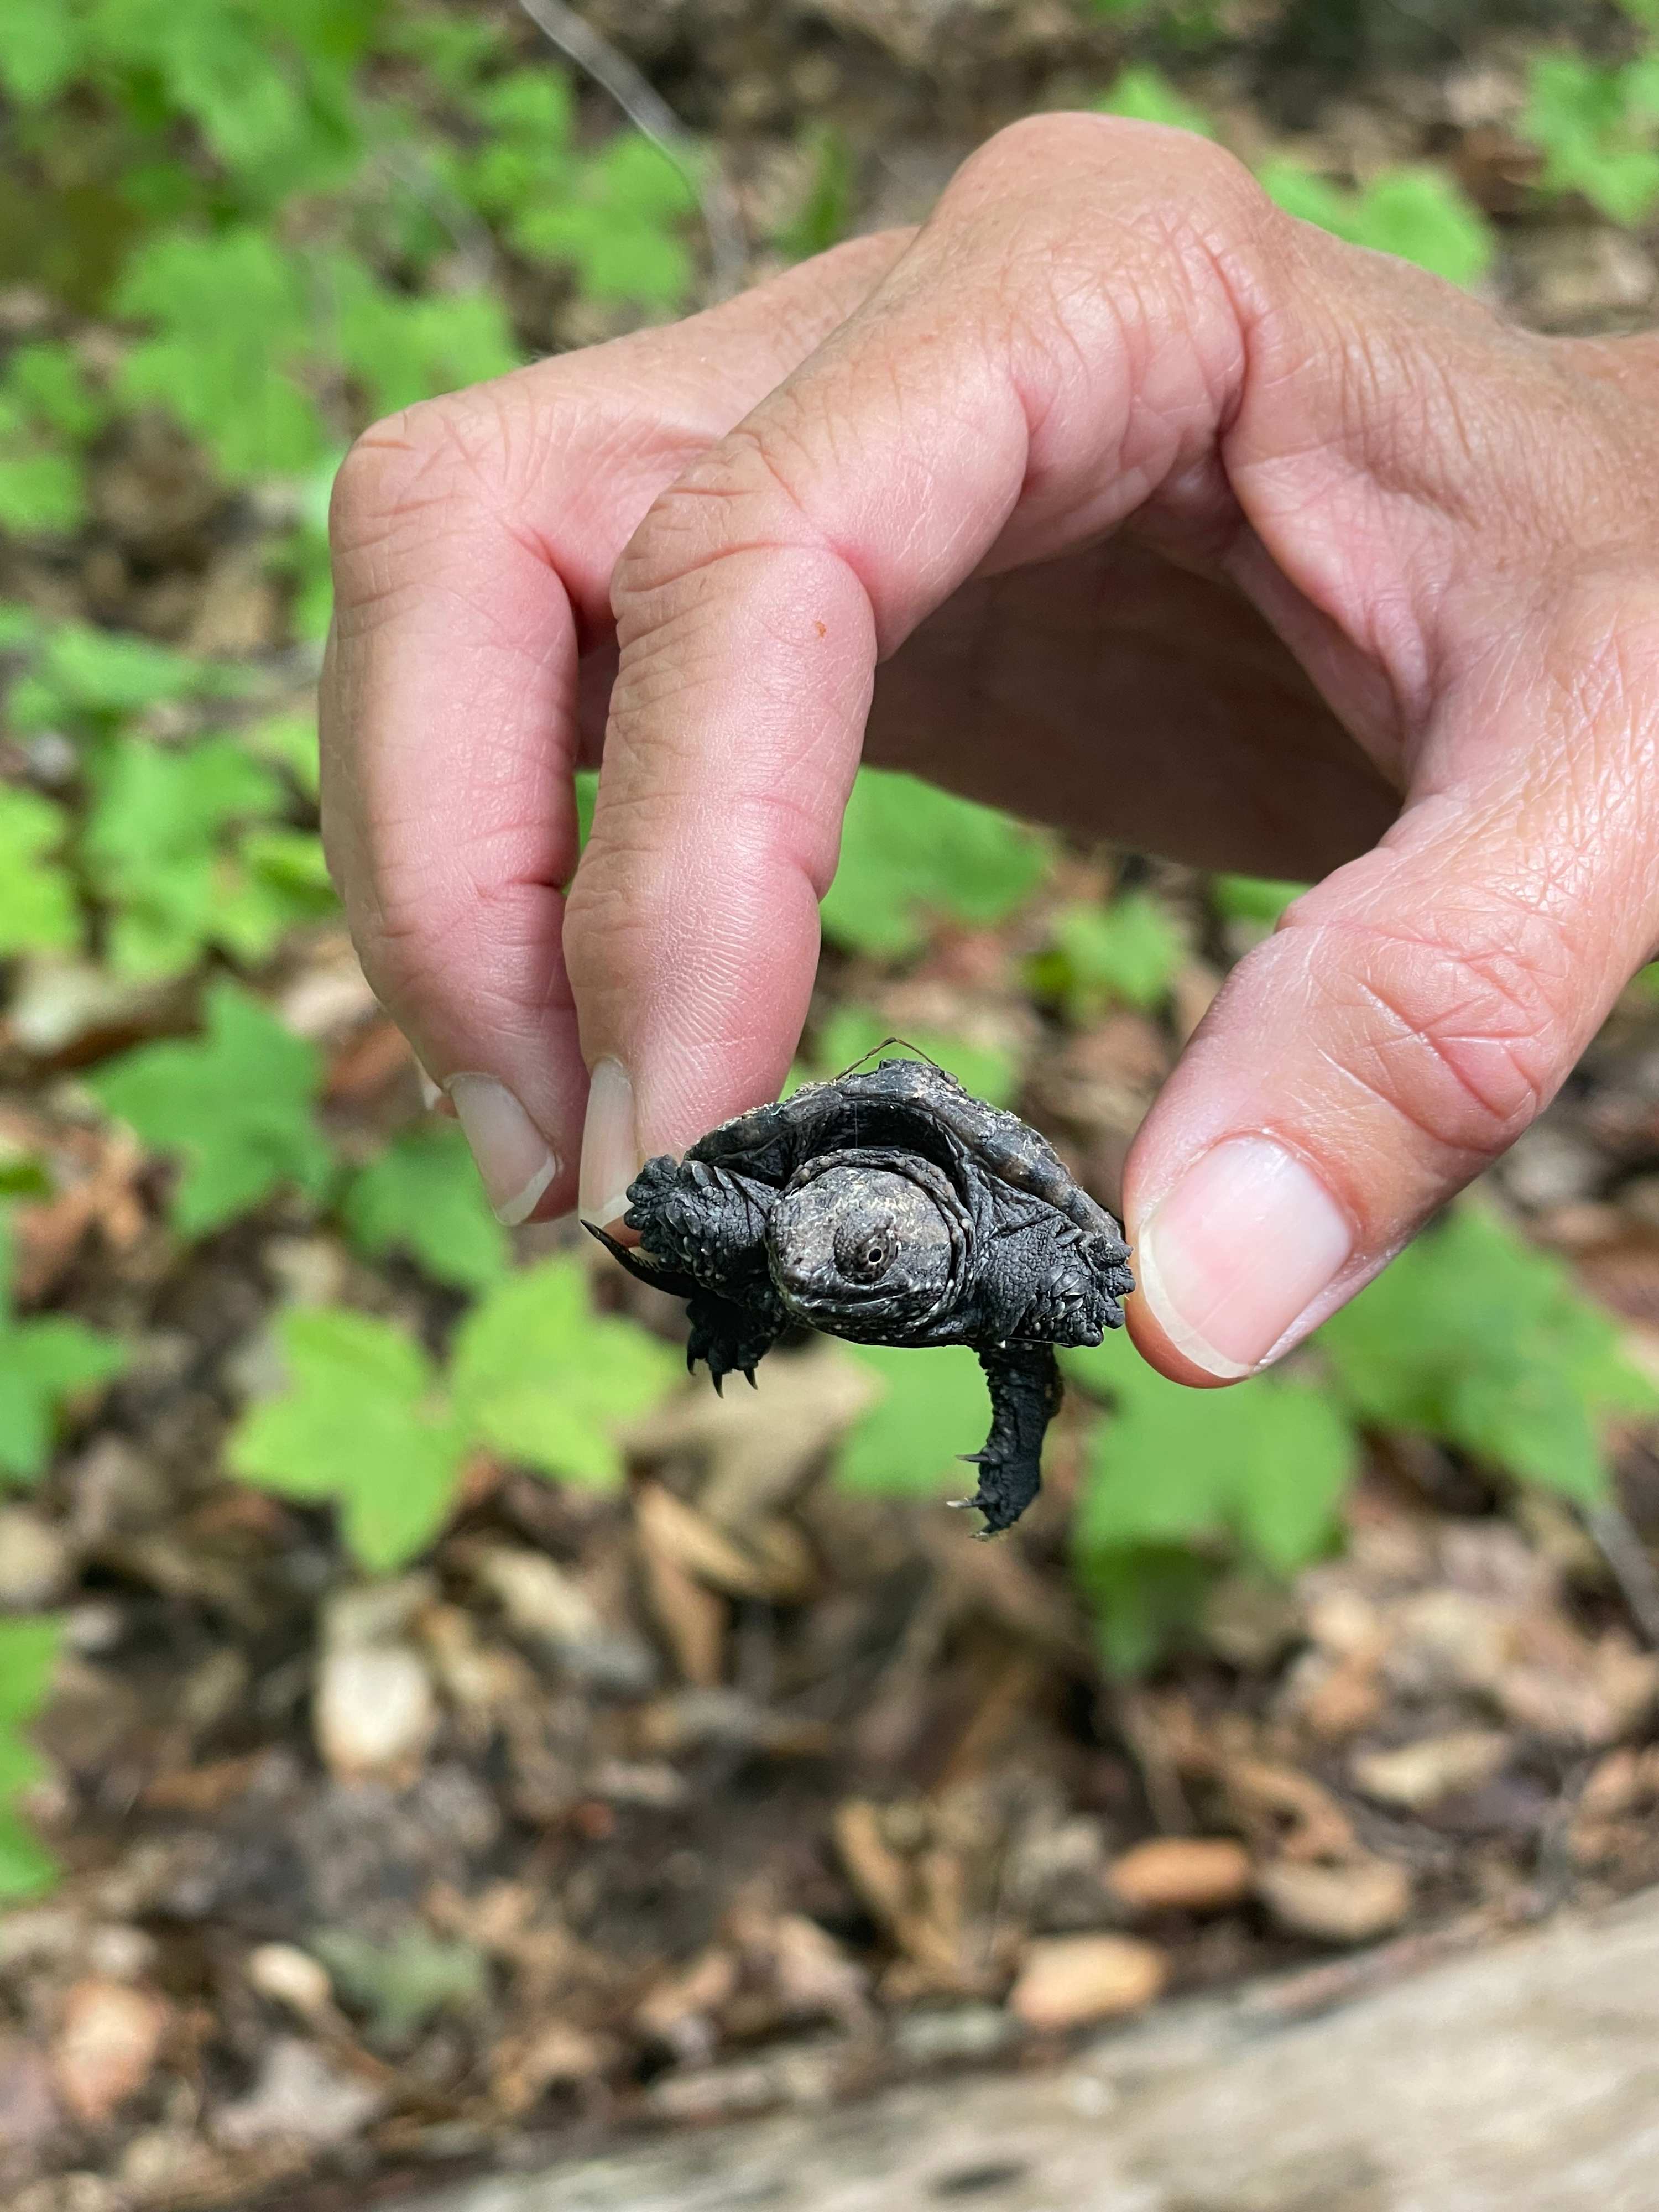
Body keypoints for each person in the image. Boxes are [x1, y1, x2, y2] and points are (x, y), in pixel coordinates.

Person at [319, 114, 1659, 1392]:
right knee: (688, 1201)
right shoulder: (823, 1216)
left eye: (861, 1252)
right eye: (861, 1253)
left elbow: (1022, 1334)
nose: (847, 1256)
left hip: (967, 1199)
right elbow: (756, 1223)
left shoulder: (1002, 1259)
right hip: (873, 1156)